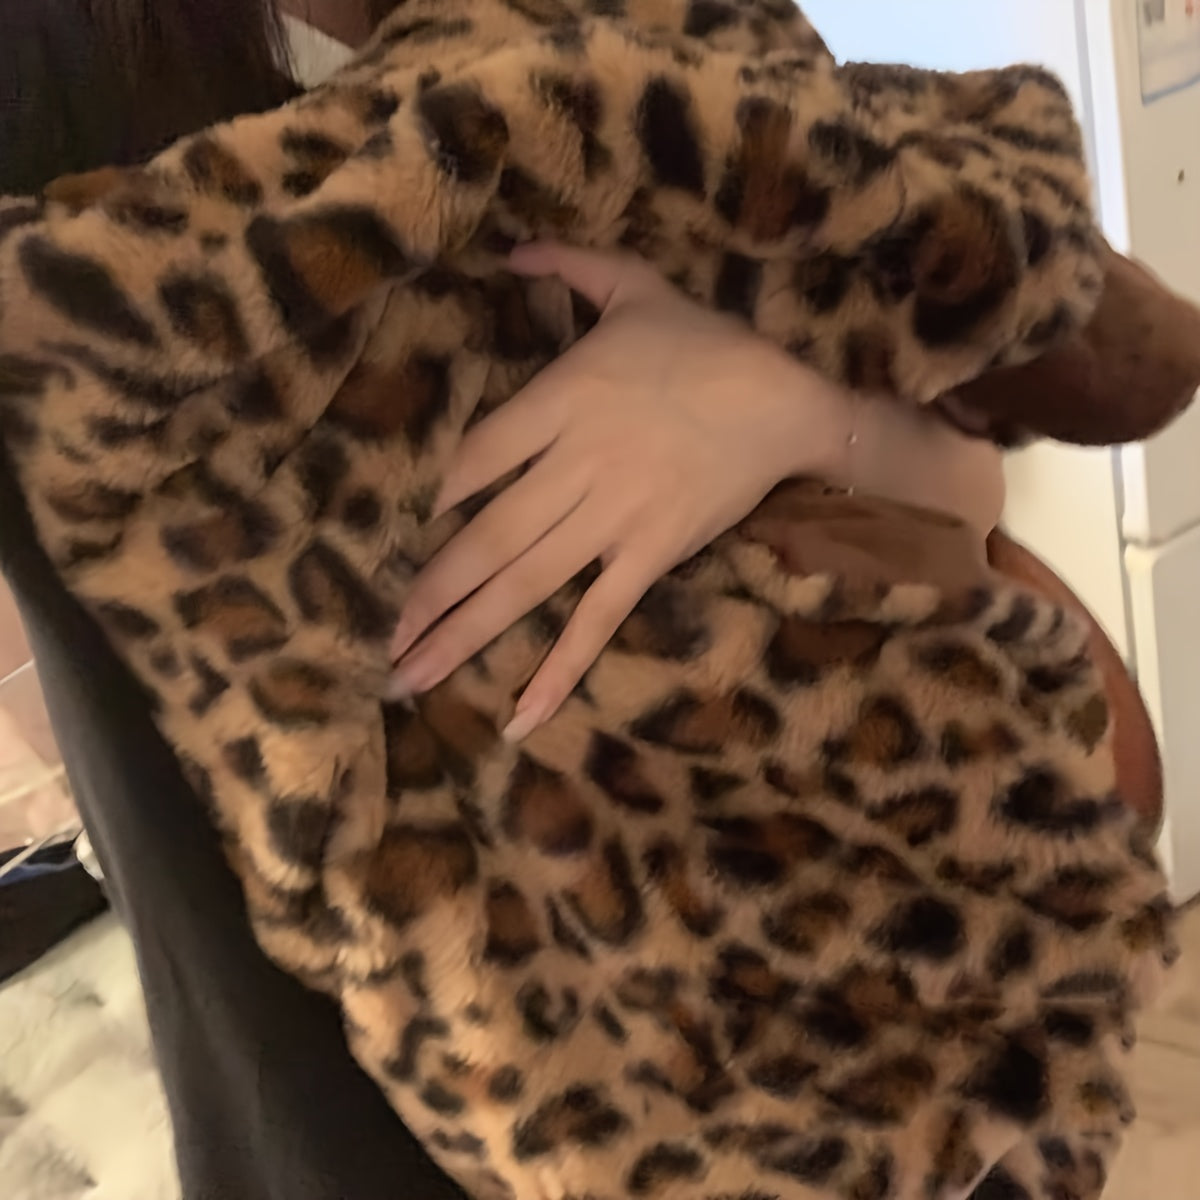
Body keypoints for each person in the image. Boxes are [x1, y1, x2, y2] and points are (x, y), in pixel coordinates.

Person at [0, 2, 1003, 1196]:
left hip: (858, 1050)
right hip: (347, 1141)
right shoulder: (59, 101)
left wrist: (793, 402)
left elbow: (966, 488)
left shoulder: (655, 38)